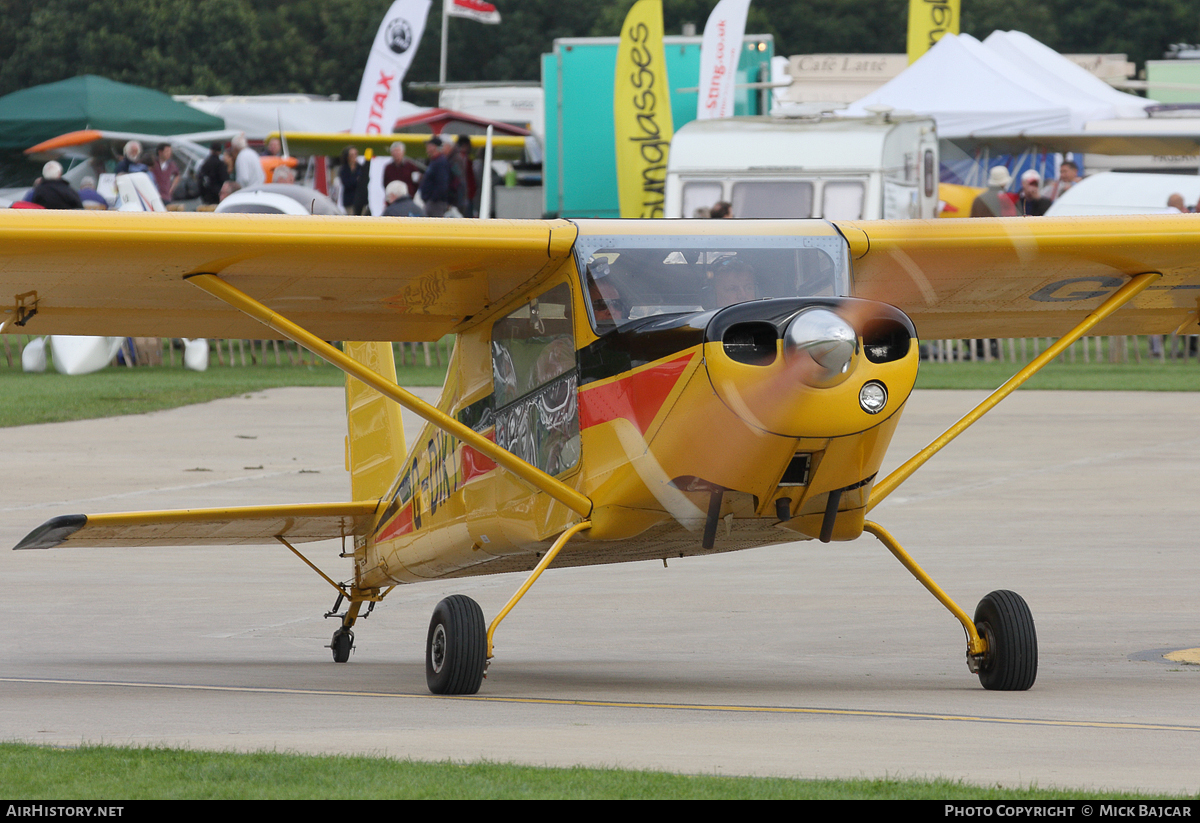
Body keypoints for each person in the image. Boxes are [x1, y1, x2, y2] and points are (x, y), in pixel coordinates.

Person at [418, 137, 452, 217]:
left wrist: (433, 199)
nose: (427, 148)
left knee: (434, 226)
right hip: (431, 202)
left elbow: (442, 184)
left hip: (436, 203)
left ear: (435, 147)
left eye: (429, 145)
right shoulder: (434, 161)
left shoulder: (440, 162)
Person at [450, 135, 477, 217]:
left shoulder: (460, 158)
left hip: (466, 194)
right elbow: (462, 178)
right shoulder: (461, 159)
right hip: (464, 195)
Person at [337, 146, 360, 213]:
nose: (354, 157)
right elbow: (347, 183)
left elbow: (364, 181)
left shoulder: (360, 168)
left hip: (360, 201)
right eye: (352, 155)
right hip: (349, 201)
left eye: (355, 154)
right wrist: (356, 180)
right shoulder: (344, 169)